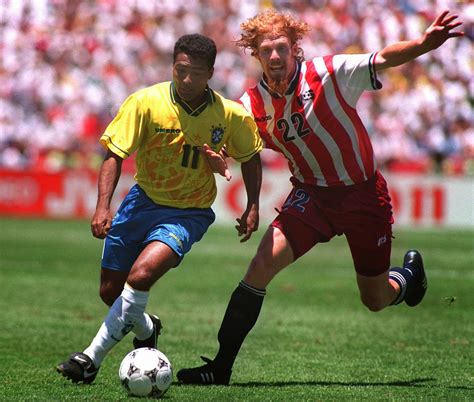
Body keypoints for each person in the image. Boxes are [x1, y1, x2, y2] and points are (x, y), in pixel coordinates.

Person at [177, 9, 464, 385]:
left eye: (282, 47)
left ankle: (408, 277)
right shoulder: (248, 108)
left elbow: (384, 57)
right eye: (267, 50)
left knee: (374, 299)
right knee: (259, 267)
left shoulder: (329, 73)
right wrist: (220, 158)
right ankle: (221, 367)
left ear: (296, 49)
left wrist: (425, 45)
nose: (275, 56)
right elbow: (235, 145)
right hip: (311, 197)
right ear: (256, 55)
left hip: (363, 195)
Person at [56, 33, 263, 384]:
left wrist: (253, 206)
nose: (186, 79)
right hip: (141, 202)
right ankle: (148, 328)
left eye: (196, 73)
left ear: (210, 72)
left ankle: (90, 359)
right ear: (173, 65)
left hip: (188, 212)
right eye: (180, 70)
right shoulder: (145, 102)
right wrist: (102, 206)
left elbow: (251, 156)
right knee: (111, 292)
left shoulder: (229, 115)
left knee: (140, 277)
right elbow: (114, 154)